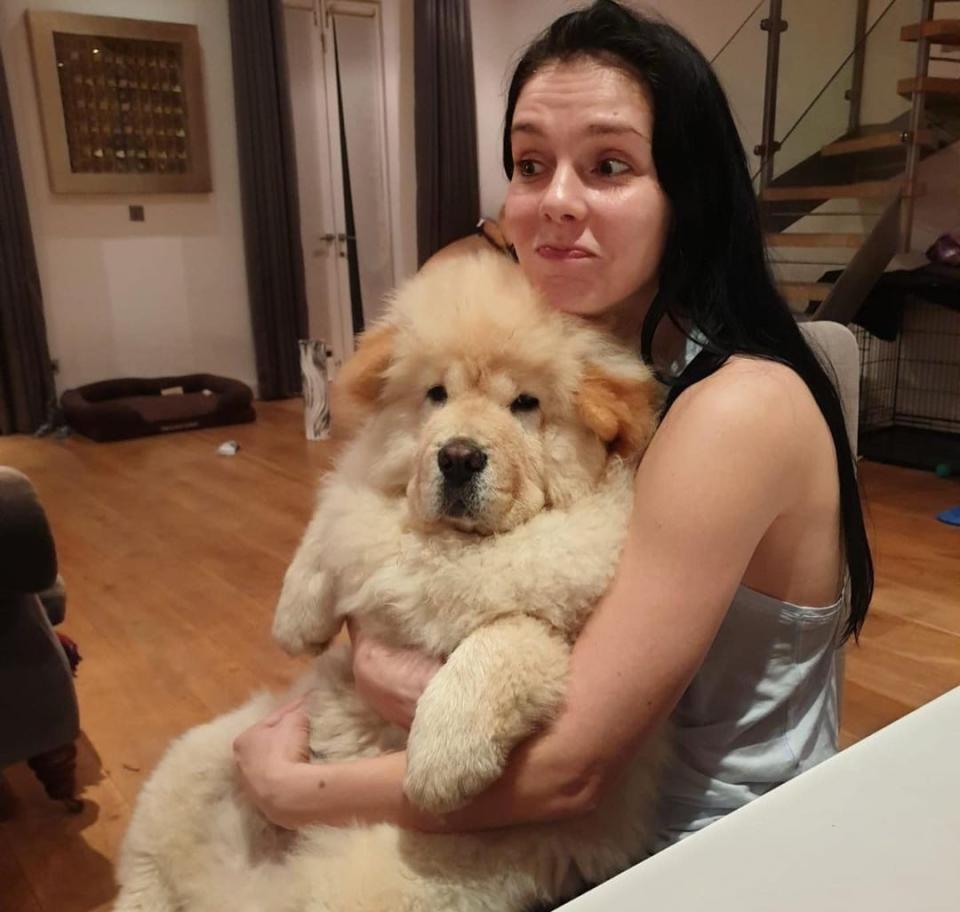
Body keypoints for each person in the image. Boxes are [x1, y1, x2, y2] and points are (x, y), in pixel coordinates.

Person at [234, 0, 872, 852]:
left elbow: (570, 769)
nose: (555, 202)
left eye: (609, 166)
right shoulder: (578, 355)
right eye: (530, 165)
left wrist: (297, 790)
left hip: (696, 856)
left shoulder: (735, 410)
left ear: (689, 190)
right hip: (542, 819)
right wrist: (377, 645)